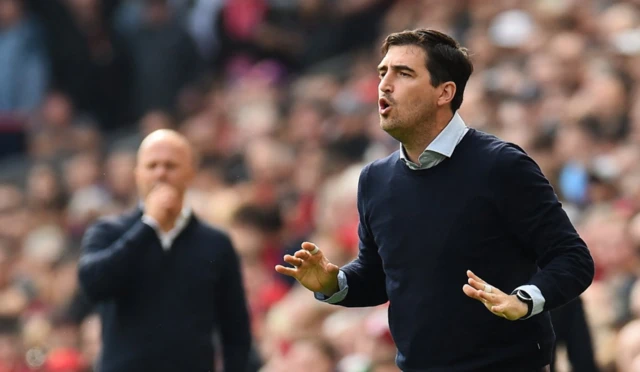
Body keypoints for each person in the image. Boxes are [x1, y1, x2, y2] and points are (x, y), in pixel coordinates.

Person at [276, 29, 595, 372]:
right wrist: (333, 283)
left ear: (445, 92)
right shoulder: (374, 180)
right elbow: (378, 277)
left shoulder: (501, 165)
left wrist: (524, 300)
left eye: (404, 73)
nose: (384, 84)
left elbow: (572, 258)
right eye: (383, 72)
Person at [77, 129, 252, 372]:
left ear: (190, 173)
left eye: (171, 166)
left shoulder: (215, 243)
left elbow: (235, 329)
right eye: (152, 165)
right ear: (137, 174)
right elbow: (94, 285)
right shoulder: (107, 231)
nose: (161, 173)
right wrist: (149, 226)